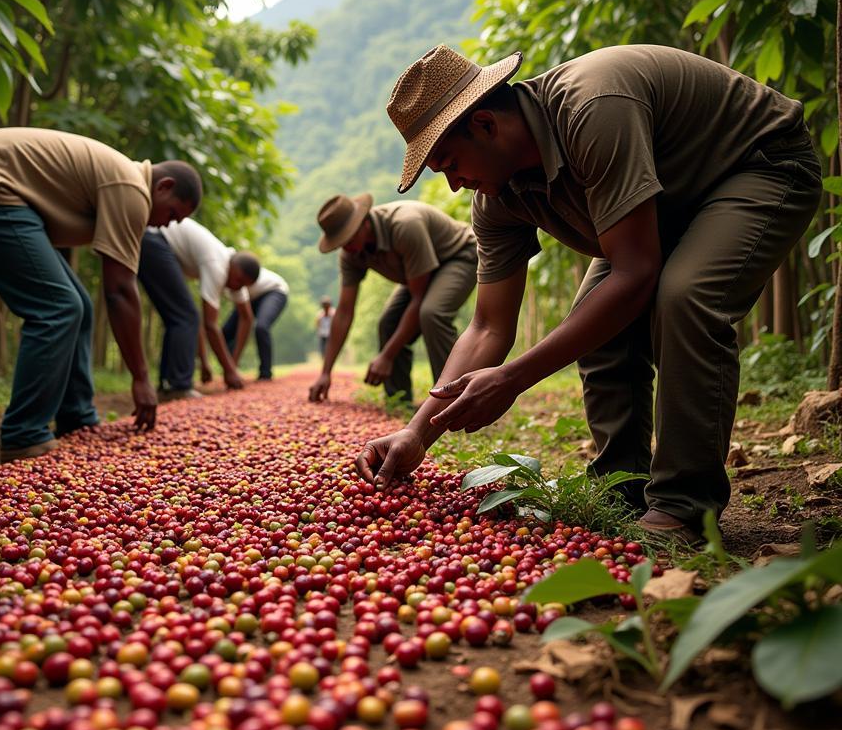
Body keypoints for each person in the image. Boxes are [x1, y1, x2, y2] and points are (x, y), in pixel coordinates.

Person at [355, 43, 821, 540]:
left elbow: (635, 274)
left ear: (486, 125)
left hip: (757, 164)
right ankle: (622, 488)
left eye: (449, 163)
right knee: (596, 327)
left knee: (685, 298)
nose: (452, 185)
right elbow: (489, 325)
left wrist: (513, 379)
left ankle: (685, 505)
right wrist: (418, 431)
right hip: (660, 208)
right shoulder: (496, 201)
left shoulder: (593, 108)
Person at [0, 127, 201, 462]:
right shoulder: (132, 188)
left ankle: (77, 418)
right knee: (59, 307)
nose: (165, 226)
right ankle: (23, 435)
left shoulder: (124, 178)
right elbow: (119, 290)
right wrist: (141, 378)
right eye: (172, 214)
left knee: (79, 305)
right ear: (164, 186)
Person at [308, 193, 478, 405]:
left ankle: (454, 400)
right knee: (388, 323)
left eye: (349, 238)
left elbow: (418, 299)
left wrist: (386, 356)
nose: (347, 247)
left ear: (364, 224)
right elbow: (343, 312)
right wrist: (326, 372)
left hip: (458, 255)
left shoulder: (404, 225)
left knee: (432, 313)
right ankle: (399, 400)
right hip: (417, 274)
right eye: (341, 243)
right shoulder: (351, 254)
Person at [138, 217, 254, 393]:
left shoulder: (234, 277)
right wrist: (229, 370)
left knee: (179, 317)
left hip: (155, 240)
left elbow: (247, 317)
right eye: (238, 281)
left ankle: (167, 384)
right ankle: (179, 385)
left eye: (242, 285)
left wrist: (230, 364)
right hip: (154, 238)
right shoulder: (218, 265)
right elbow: (210, 325)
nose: (236, 287)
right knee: (185, 316)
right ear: (235, 267)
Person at [222, 264, 289, 381]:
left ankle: (265, 373)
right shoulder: (222, 280)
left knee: (261, 327)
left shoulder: (233, 275)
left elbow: (246, 322)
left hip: (273, 290)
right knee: (225, 332)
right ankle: (229, 369)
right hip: (248, 298)